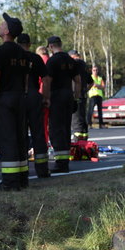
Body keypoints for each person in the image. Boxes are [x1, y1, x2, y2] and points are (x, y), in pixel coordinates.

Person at [0, 13, 29, 190]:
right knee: (20, 137)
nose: (0, 25)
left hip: (6, 99)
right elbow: (26, 80)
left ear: (7, 31)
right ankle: (22, 180)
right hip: (20, 98)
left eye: (3, 24)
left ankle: (10, 183)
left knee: (7, 138)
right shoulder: (23, 53)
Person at [17, 33, 50, 178]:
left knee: (21, 133)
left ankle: (22, 169)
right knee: (38, 133)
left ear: (18, 44)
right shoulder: (35, 58)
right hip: (34, 96)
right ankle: (42, 169)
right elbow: (46, 79)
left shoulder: (14, 58)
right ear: (29, 45)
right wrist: (45, 97)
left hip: (18, 97)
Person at [46, 36, 79, 173]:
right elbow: (78, 81)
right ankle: (64, 162)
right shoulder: (71, 61)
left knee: (56, 129)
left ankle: (60, 163)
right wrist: (76, 98)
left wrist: (46, 98)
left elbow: (47, 81)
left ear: (51, 46)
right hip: (68, 95)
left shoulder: (52, 61)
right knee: (66, 128)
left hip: (56, 96)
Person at [69, 50, 92, 140]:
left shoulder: (75, 64)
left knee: (76, 120)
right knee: (82, 119)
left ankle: (77, 141)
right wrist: (85, 90)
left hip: (76, 96)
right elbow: (91, 82)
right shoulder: (84, 66)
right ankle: (84, 141)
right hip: (83, 95)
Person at [87, 64, 106, 129]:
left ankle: (101, 124)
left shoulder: (100, 78)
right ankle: (89, 124)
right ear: (92, 71)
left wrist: (98, 86)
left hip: (99, 96)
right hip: (92, 95)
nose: (95, 71)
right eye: (94, 70)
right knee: (90, 111)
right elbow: (88, 85)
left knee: (100, 111)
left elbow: (103, 86)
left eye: (96, 70)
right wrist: (97, 86)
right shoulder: (90, 77)